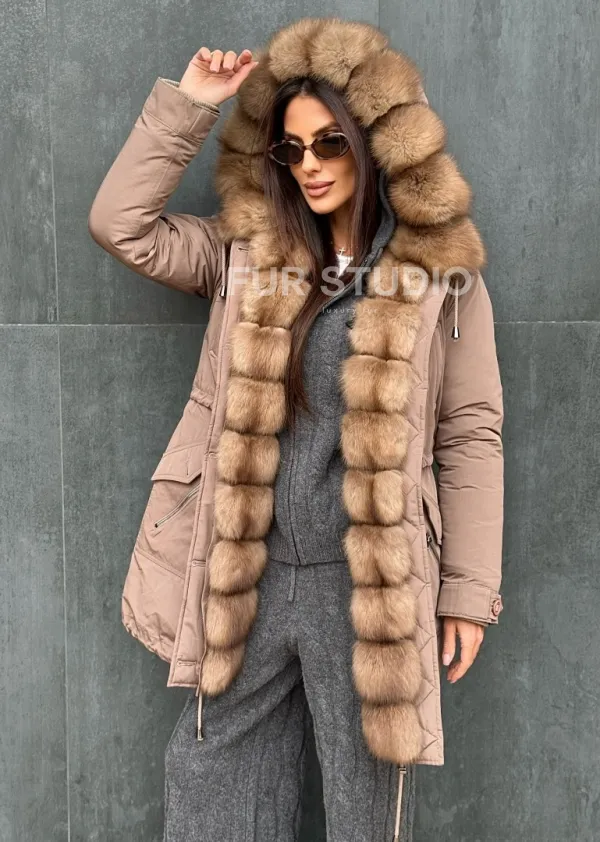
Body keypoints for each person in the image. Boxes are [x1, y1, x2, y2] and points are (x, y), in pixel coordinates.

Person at [88, 16, 504, 842]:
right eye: (292, 149)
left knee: (365, 813)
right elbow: (121, 226)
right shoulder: (246, 257)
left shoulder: (439, 275)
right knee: (210, 788)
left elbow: (468, 432)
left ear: (373, 144)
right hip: (250, 572)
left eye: (330, 144)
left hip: (369, 588)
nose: (310, 164)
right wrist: (191, 105)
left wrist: (466, 592)